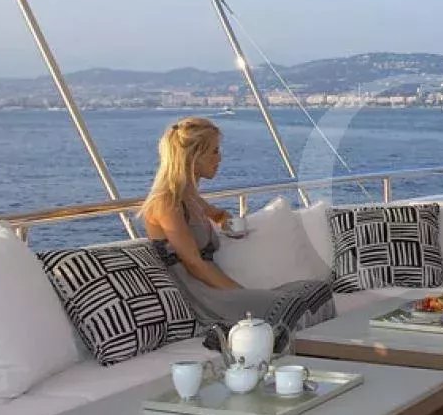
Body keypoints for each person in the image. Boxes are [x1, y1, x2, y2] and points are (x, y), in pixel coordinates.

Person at [142, 116, 333, 350]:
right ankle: (269, 349)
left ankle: (328, 354)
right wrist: (242, 293)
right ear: (192, 156)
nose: (219, 158)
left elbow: (218, 215)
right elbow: (194, 264)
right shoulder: (167, 202)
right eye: (214, 151)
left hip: (220, 288)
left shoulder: (191, 197)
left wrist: (226, 224)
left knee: (317, 291)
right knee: (294, 307)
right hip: (205, 297)